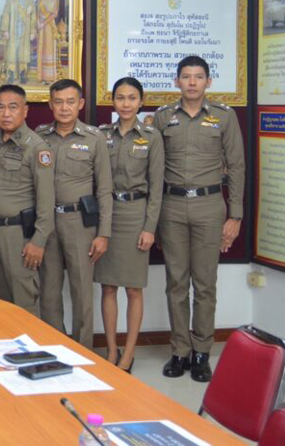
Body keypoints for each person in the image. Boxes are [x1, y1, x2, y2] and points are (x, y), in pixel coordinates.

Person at [154, 55, 245, 382]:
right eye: (186, 76)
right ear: (176, 81)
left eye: (198, 77)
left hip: (209, 206)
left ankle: (202, 352)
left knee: (205, 284)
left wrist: (235, 215)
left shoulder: (224, 116)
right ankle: (180, 351)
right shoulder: (163, 117)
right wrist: (153, 218)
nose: (192, 82)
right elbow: (154, 169)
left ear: (208, 81)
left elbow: (237, 166)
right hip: (172, 206)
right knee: (176, 283)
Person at [36, 79, 112, 349]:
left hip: (79, 223)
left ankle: (83, 350)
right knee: (49, 290)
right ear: (50, 104)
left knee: (81, 290)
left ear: (80, 104)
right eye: (58, 102)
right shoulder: (40, 136)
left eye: (70, 102)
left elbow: (105, 189)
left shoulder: (94, 138)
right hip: (47, 222)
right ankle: (54, 347)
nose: (64, 108)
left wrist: (103, 233)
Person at [96, 77, 164, 372]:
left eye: (132, 98)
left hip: (136, 215)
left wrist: (150, 227)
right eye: (120, 98)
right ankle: (112, 350)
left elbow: (157, 187)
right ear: (113, 101)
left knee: (134, 289)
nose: (126, 104)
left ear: (141, 101)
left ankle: (129, 353)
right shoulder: (101, 135)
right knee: (108, 287)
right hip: (108, 214)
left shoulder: (151, 137)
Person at [0, 84, 54, 314]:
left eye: (13, 107)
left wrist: (38, 241)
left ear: (25, 111)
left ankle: (28, 341)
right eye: (0, 107)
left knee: (24, 304)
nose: (6, 113)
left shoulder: (37, 147)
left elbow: (46, 200)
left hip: (20, 237)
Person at [0, 0, 35, 84]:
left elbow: (33, 17)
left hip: (25, 31)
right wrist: (5, 30)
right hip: (13, 30)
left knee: (24, 52)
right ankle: (11, 74)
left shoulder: (31, 0)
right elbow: (6, 14)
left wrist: (33, 32)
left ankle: (23, 74)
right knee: (12, 52)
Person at [35, 0, 59, 83]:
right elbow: (37, 13)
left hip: (49, 26)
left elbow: (54, 14)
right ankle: (42, 76)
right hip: (41, 27)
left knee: (49, 49)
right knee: (41, 49)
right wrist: (38, 23)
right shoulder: (39, 0)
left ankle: (50, 77)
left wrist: (43, 24)